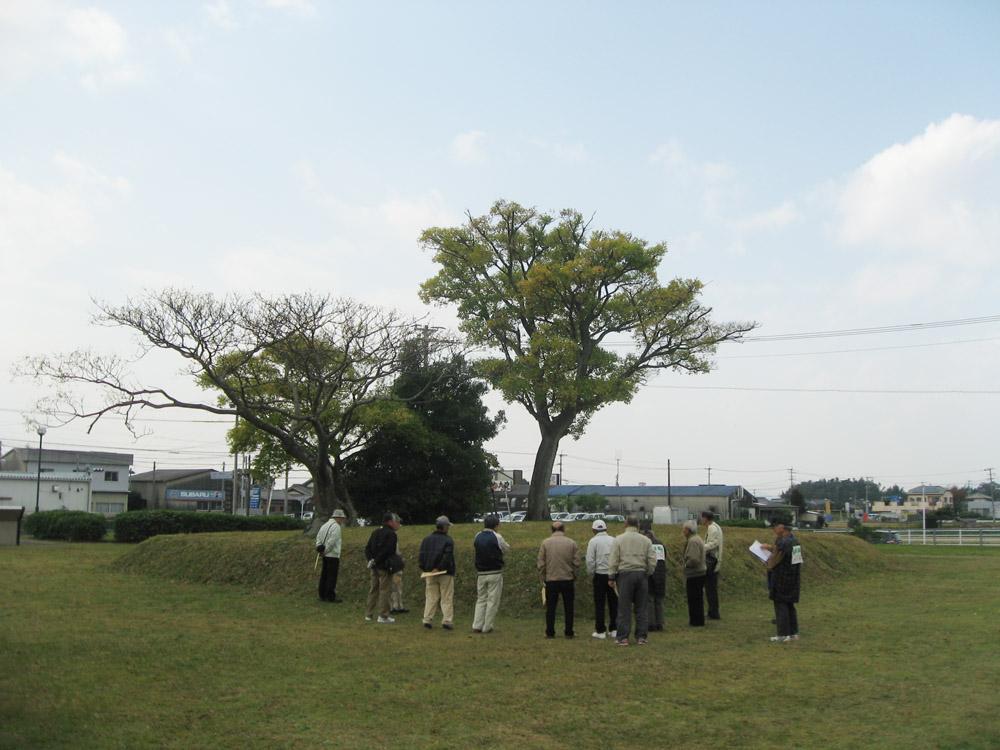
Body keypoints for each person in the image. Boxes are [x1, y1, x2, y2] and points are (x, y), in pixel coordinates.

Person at [608, 516, 657, 646]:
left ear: (626, 524)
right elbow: (652, 560)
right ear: (638, 524)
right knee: (641, 608)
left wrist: (611, 576)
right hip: (641, 574)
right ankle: (641, 637)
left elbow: (614, 559)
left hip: (624, 575)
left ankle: (623, 637)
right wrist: (648, 572)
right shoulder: (646, 540)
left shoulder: (618, 539)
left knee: (624, 608)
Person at [537, 521, 580, 638]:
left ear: (552, 530)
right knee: (569, 607)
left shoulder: (545, 543)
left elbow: (541, 563)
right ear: (563, 529)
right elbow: (576, 563)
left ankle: (550, 632)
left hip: (551, 579)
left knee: (550, 608)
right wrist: (574, 576)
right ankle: (569, 632)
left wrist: (542, 578)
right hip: (567, 579)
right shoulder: (571, 543)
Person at [762, 522, 802, 642]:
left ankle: (782, 634)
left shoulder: (782, 542)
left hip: (781, 578)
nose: (774, 529)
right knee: (790, 605)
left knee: (780, 605)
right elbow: (796, 561)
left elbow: (774, 561)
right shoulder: (795, 541)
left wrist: (767, 562)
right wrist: (770, 548)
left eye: (775, 527)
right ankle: (793, 633)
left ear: (782, 528)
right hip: (793, 577)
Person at [472, 514, 510, 633]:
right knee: (492, 600)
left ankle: (477, 625)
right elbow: (506, 548)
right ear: (496, 525)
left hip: (481, 572)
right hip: (495, 571)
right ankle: (487, 626)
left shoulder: (477, 536)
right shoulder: (497, 536)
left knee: (481, 599)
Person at [418, 516, 456, 630]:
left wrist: (425, 568)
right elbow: (447, 557)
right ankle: (447, 620)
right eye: (448, 526)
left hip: (429, 573)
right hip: (445, 573)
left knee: (431, 597)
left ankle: (427, 619)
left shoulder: (426, 539)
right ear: (444, 527)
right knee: (446, 597)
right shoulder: (448, 540)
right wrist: (439, 568)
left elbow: (421, 556)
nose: (448, 528)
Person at [364, 512, 402, 624]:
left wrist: (371, 560)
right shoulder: (391, 534)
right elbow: (388, 551)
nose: (397, 524)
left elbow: (367, 548)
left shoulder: (375, 532)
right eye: (396, 521)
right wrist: (377, 560)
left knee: (373, 590)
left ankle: (369, 614)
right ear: (390, 522)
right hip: (384, 566)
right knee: (385, 590)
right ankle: (383, 615)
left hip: (374, 566)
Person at [586, 519, 618, 640]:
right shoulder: (613, 540)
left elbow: (590, 560)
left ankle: (600, 631)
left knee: (599, 603)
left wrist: (591, 573)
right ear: (606, 529)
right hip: (613, 575)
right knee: (614, 602)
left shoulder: (593, 541)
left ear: (593, 530)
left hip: (599, 575)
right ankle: (614, 628)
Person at [640, 520, 667, 632]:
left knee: (649, 599)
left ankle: (651, 624)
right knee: (659, 599)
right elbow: (665, 557)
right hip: (661, 574)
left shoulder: (645, 544)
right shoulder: (660, 544)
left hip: (650, 574)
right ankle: (660, 623)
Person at [315, 509, 346, 602]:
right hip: (332, 555)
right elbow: (332, 541)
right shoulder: (336, 527)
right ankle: (330, 596)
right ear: (338, 517)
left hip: (325, 555)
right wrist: (326, 550)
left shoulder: (324, 525)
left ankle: (322, 594)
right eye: (341, 518)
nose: (342, 520)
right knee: (332, 576)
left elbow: (318, 538)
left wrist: (319, 548)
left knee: (324, 575)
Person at [682, 519, 707, 627]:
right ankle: (698, 620)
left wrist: (686, 565)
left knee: (694, 598)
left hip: (695, 574)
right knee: (697, 598)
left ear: (688, 530)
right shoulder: (697, 539)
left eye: (684, 529)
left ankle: (696, 621)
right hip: (699, 573)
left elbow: (694, 559)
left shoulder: (693, 541)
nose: (683, 531)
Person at [701, 511, 724, 620]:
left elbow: (713, 543)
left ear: (706, 518)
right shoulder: (715, 527)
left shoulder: (712, 528)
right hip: (714, 560)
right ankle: (712, 611)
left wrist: (702, 547)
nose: (701, 520)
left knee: (710, 587)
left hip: (711, 560)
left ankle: (713, 613)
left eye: (702, 518)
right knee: (711, 588)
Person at [389, 535, 409, 614]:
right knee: (395, 588)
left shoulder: (393, 542)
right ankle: (394, 607)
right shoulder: (390, 544)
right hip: (394, 567)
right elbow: (397, 553)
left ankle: (398, 606)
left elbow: (397, 553)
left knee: (397, 588)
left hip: (396, 567)